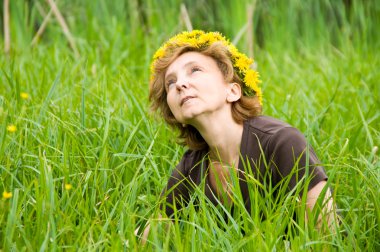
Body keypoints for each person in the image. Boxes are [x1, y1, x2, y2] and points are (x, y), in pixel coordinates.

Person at [136, 30, 337, 243]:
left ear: (233, 91)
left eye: (195, 70)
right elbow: (147, 237)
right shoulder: (191, 168)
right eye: (170, 83)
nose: (179, 84)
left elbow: (327, 237)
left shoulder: (282, 143)